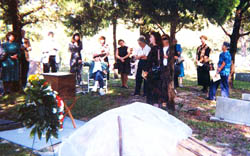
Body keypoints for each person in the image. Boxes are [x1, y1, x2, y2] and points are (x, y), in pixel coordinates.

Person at [144, 31, 164, 106]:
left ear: (155, 38)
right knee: (155, 91)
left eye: (151, 37)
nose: (149, 38)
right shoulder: (159, 48)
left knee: (153, 91)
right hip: (156, 73)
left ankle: (154, 107)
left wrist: (146, 71)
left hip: (153, 74)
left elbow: (151, 61)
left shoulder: (155, 49)